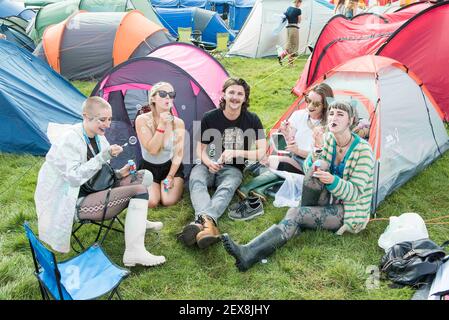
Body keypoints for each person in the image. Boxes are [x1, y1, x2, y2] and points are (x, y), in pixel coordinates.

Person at [221, 100, 375, 272]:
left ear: (350, 120)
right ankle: (300, 220)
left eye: (340, 114)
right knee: (319, 166)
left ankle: (248, 253)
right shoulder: (330, 139)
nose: (334, 117)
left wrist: (332, 180)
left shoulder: (363, 151)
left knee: (296, 213)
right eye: (331, 113)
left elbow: (354, 194)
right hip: (330, 196)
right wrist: (317, 150)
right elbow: (308, 170)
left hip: (349, 209)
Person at [35, 96, 166, 267]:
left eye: (109, 119)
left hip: (95, 190)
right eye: (102, 119)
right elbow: (74, 178)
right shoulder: (70, 140)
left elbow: (99, 173)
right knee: (139, 190)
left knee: (145, 176)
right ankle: (134, 253)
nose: (108, 124)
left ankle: (138, 221)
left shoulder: (98, 137)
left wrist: (119, 174)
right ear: (86, 116)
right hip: (74, 201)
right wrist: (103, 156)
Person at [177, 77, 267, 249]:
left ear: (245, 98)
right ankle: (209, 224)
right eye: (231, 92)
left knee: (227, 188)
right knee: (196, 181)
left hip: (233, 169)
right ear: (224, 95)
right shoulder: (210, 117)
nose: (235, 97)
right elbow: (199, 149)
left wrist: (236, 152)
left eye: (240, 94)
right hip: (207, 165)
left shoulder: (253, 119)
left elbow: (262, 151)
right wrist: (208, 162)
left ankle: (200, 222)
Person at [135, 82, 185, 208]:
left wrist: (171, 176)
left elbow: (179, 153)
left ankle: (170, 184)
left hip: (170, 167)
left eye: (171, 94)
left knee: (167, 201)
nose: (168, 97)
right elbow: (152, 149)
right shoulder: (142, 120)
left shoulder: (178, 123)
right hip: (148, 168)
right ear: (153, 98)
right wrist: (162, 124)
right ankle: (155, 187)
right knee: (152, 202)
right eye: (163, 94)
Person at [264, 83, 334, 174]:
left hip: (311, 165)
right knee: (269, 161)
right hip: (293, 158)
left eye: (316, 104)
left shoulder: (329, 126)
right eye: (308, 100)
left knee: (277, 163)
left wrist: (297, 151)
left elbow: (322, 157)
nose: (310, 106)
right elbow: (289, 141)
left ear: (325, 105)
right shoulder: (299, 115)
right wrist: (285, 133)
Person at [282, 0, 302, 66]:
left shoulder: (289, 8)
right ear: (298, 2)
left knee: (289, 43)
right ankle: (290, 63)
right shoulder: (298, 10)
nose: (300, 4)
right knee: (294, 45)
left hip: (288, 28)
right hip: (294, 28)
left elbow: (285, 17)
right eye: (300, 2)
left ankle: (282, 56)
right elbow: (299, 21)